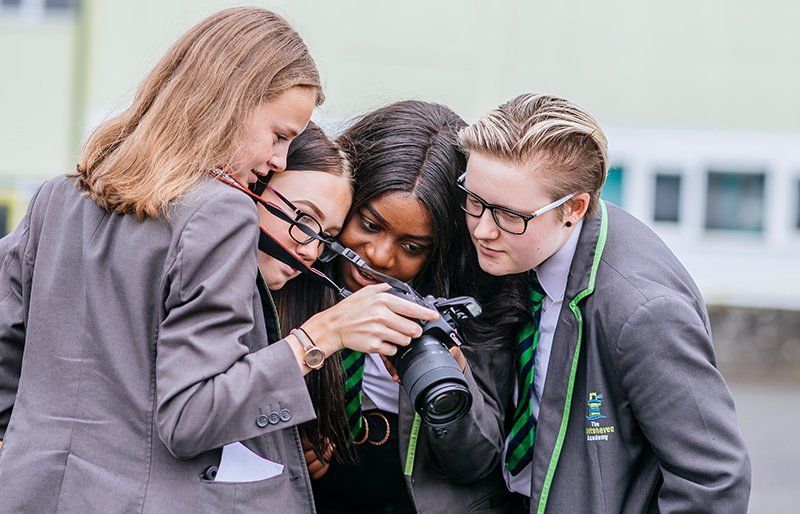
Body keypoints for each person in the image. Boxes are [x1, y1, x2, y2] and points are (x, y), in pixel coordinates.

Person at [0, 8, 437, 513]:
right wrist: (322, 337)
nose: (278, 160)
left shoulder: (58, 197)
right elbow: (191, 416)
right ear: (227, 103)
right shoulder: (219, 210)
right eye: (279, 135)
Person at [457, 93, 752, 513]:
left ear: (574, 208)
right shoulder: (529, 245)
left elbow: (714, 479)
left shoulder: (644, 312)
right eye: (474, 200)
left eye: (508, 215)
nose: (483, 230)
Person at [279, 100, 528, 514]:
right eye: (369, 224)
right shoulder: (288, 273)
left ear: (443, 251)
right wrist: (290, 439)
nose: (378, 256)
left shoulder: (473, 308)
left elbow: (479, 461)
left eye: (412, 247)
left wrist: (452, 375)